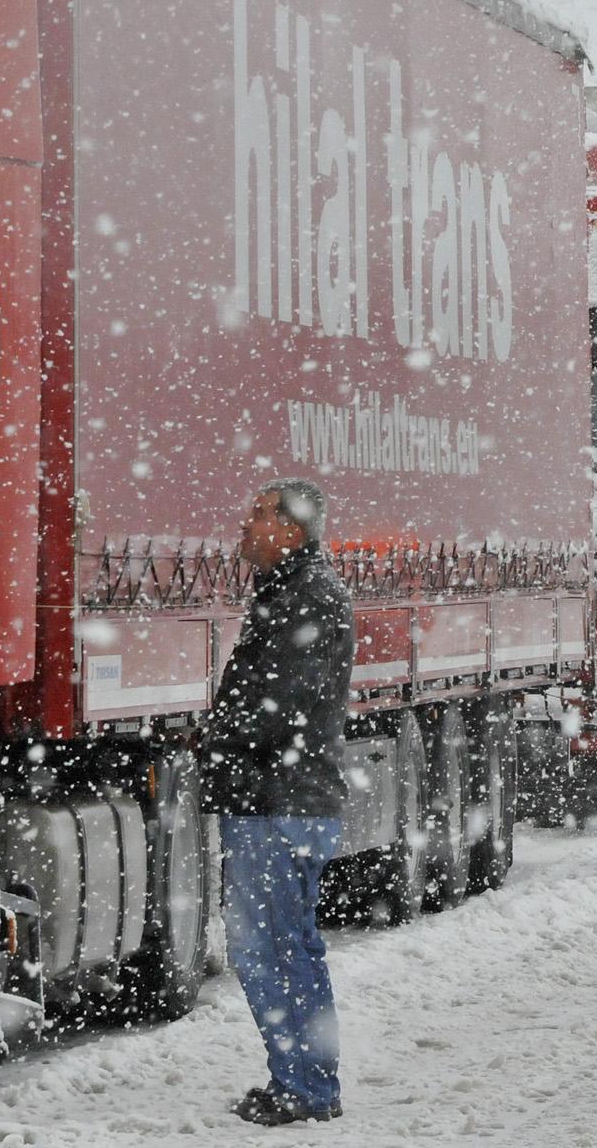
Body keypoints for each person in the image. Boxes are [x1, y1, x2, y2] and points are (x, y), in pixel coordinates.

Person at [198, 478, 354, 1126]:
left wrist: (212, 737)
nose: (244, 526)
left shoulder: (306, 597)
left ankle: (308, 1087)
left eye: (258, 515)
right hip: (278, 796)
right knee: (280, 947)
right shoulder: (292, 592)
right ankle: (302, 1080)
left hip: (278, 802)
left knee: (275, 950)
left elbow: (277, 706)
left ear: (292, 529)